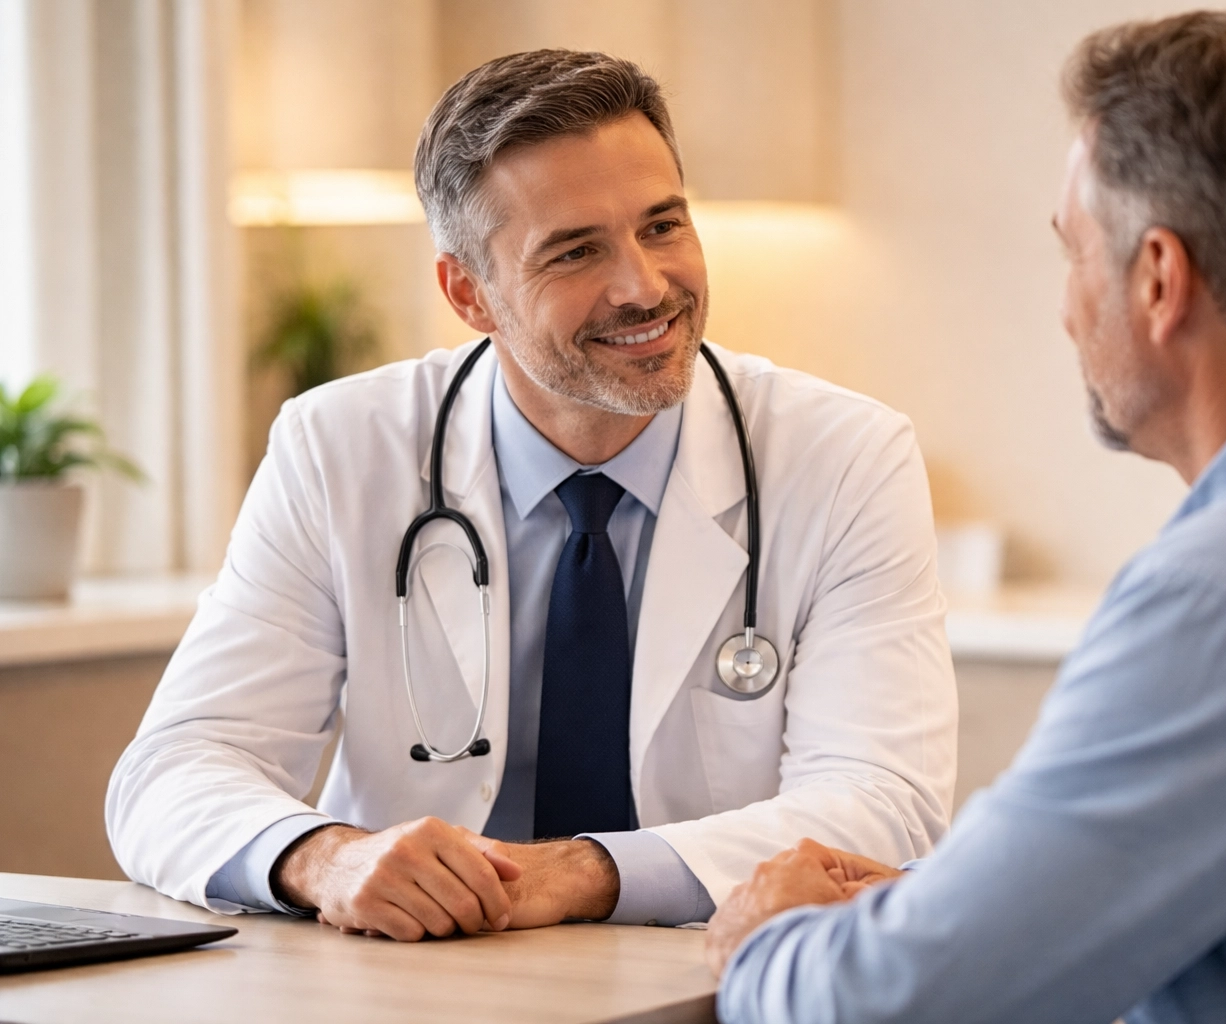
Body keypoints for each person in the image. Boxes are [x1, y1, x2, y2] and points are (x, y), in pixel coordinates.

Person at [705, 11, 1226, 1023]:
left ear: (1158, 280)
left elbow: (896, 1006)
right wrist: (953, 905)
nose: (1067, 308)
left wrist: (769, 936)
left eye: (1075, 253)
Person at [106, 50, 956, 942]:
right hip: (411, 978)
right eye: (577, 251)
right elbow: (173, 770)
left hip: (704, 973)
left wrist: (582, 872)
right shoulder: (339, 447)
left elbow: (882, 803)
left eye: (663, 225)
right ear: (468, 292)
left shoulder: (843, 456)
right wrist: (324, 857)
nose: (644, 287)